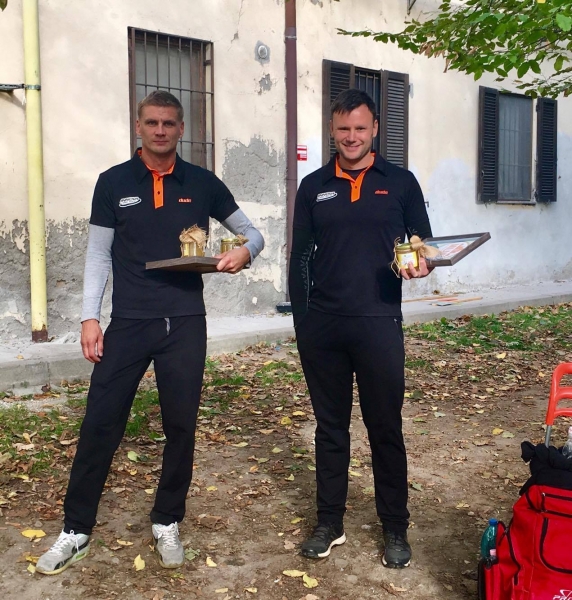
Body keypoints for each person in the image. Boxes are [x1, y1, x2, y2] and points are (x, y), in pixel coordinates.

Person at [36, 90, 264, 575]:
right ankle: (76, 528)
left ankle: (167, 519)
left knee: (180, 425)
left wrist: (245, 251)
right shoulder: (113, 182)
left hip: (185, 322)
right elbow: (98, 254)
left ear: (181, 129)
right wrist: (90, 317)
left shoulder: (202, 183)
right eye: (152, 122)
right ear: (138, 127)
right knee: (100, 422)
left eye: (169, 123)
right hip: (130, 323)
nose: (160, 130)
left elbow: (253, 233)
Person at [288, 89, 433, 569]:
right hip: (323, 327)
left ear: (375, 130)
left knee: (385, 427)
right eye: (343, 128)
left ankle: (395, 527)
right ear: (333, 130)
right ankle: (329, 522)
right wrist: (303, 321)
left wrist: (423, 263)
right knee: (330, 429)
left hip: (378, 322)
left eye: (360, 128)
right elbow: (300, 257)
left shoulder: (401, 182)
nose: (352, 137)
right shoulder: (313, 186)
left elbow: (424, 243)